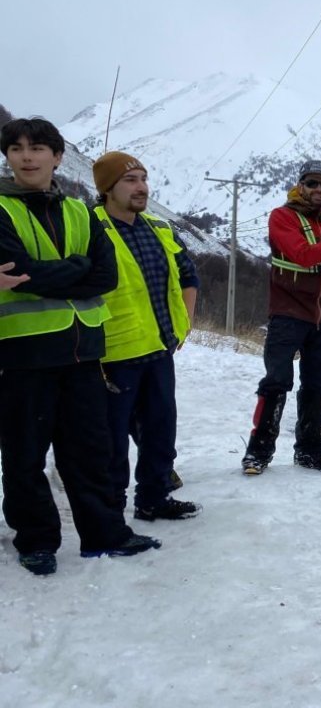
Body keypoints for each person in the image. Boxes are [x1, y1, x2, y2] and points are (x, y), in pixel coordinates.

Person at [0, 117, 159, 576]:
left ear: (57, 156)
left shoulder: (80, 211)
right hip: (25, 353)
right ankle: (36, 540)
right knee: (25, 454)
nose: (26, 156)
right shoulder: (1, 209)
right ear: (8, 157)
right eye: (16, 149)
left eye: (37, 148)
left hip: (84, 350)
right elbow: (15, 269)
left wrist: (44, 275)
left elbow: (105, 276)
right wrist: (76, 269)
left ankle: (105, 533)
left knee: (90, 450)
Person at [240, 159, 321, 475]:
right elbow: (300, 254)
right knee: (276, 382)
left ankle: (310, 450)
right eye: (313, 184)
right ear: (300, 185)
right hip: (288, 313)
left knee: (318, 385)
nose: (319, 190)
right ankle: (258, 451)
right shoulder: (281, 217)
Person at [92, 151, 201, 521]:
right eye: (130, 180)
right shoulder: (90, 229)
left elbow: (188, 276)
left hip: (158, 350)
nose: (141, 187)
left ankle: (154, 498)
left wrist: (183, 324)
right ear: (107, 189)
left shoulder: (159, 228)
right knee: (111, 440)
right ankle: (109, 511)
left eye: (143, 178)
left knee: (160, 430)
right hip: (112, 356)